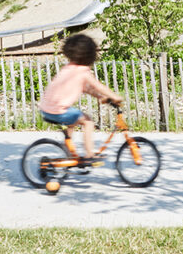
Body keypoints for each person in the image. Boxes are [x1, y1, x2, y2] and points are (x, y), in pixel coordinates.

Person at [38, 33, 122, 163]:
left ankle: (68, 152)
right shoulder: (82, 71)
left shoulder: (69, 68)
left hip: (47, 108)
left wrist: (100, 97)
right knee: (88, 121)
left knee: (72, 120)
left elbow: (85, 88)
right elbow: (97, 85)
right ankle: (89, 155)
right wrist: (114, 96)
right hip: (58, 110)